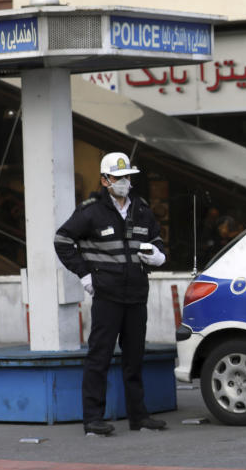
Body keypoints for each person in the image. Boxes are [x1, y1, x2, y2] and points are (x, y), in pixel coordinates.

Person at [54, 152, 168, 436]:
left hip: (136, 295)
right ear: (104, 180)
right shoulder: (91, 211)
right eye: (117, 178)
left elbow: (156, 240)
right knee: (99, 357)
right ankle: (93, 419)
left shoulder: (141, 209)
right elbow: (62, 240)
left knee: (134, 358)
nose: (123, 182)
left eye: (127, 177)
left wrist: (157, 256)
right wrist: (84, 273)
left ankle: (139, 417)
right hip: (107, 295)